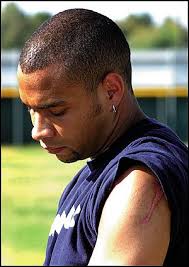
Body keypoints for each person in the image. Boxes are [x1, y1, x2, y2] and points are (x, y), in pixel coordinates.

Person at [17, 8, 188, 266]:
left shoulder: (139, 179)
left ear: (111, 91)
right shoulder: (93, 173)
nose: (37, 130)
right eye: (31, 110)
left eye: (56, 110)